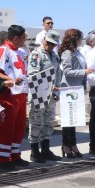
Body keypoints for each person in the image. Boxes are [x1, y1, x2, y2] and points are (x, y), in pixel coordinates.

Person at [0, 25, 30, 169]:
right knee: (7, 126)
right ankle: (2, 159)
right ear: (15, 38)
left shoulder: (20, 52)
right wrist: (11, 80)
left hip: (21, 94)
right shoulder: (1, 50)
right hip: (8, 94)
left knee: (19, 127)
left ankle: (15, 155)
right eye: (23, 37)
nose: (25, 40)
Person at [27, 30, 62, 162]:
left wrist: (56, 91)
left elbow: (58, 74)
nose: (50, 46)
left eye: (53, 44)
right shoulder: (36, 54)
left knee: (48, 122)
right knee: (36, 122)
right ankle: (34, 151)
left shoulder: (55, 56)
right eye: (49, 43)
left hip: (51, 95)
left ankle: (45, 149)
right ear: (44, 40)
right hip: (39, 94)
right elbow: (32, 75)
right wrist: (48, 86)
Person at [58, 29, 93, 158]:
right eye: (80, 38)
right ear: (74, 39)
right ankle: (66, 145)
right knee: (68, 120)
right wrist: (84, 72)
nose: (81, 40)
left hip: (77, 89)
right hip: (69, 88)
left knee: (74, 119)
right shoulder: (67, 53)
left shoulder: (77, 52)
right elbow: (67, 71)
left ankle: (72, 144)